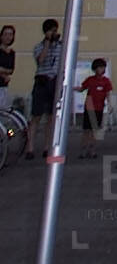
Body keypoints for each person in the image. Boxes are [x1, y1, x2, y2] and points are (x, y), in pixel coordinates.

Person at [27, 17, 62, 159]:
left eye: (55, 31)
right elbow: (40, 60)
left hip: (54, 82)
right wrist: (47, 43)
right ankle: (30, 147)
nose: (54, 33)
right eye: (51, 31)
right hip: (41, 82)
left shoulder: (60, 46)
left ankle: (47, 147)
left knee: (51, 117)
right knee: (36, 116)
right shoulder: (39, 47)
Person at [79, 58, 113, 159]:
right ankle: (83, 150)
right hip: (89, 108)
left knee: (95, 130)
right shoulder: (90, 80)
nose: (102, 69)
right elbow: (82, 88)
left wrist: (110, 104)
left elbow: (108, 93)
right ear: (95, 69)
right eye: (100, 67)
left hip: (99, 108)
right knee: (86, 130)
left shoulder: (106, 81)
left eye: (103, 67)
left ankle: (92, 150)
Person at [0, 23, 15, 111]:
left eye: (10, 34)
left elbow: (11, 70)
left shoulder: (11, 53)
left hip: (4, 86)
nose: (8, 37)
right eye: (5, 34)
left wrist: (2, 71)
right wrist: (4, 75)